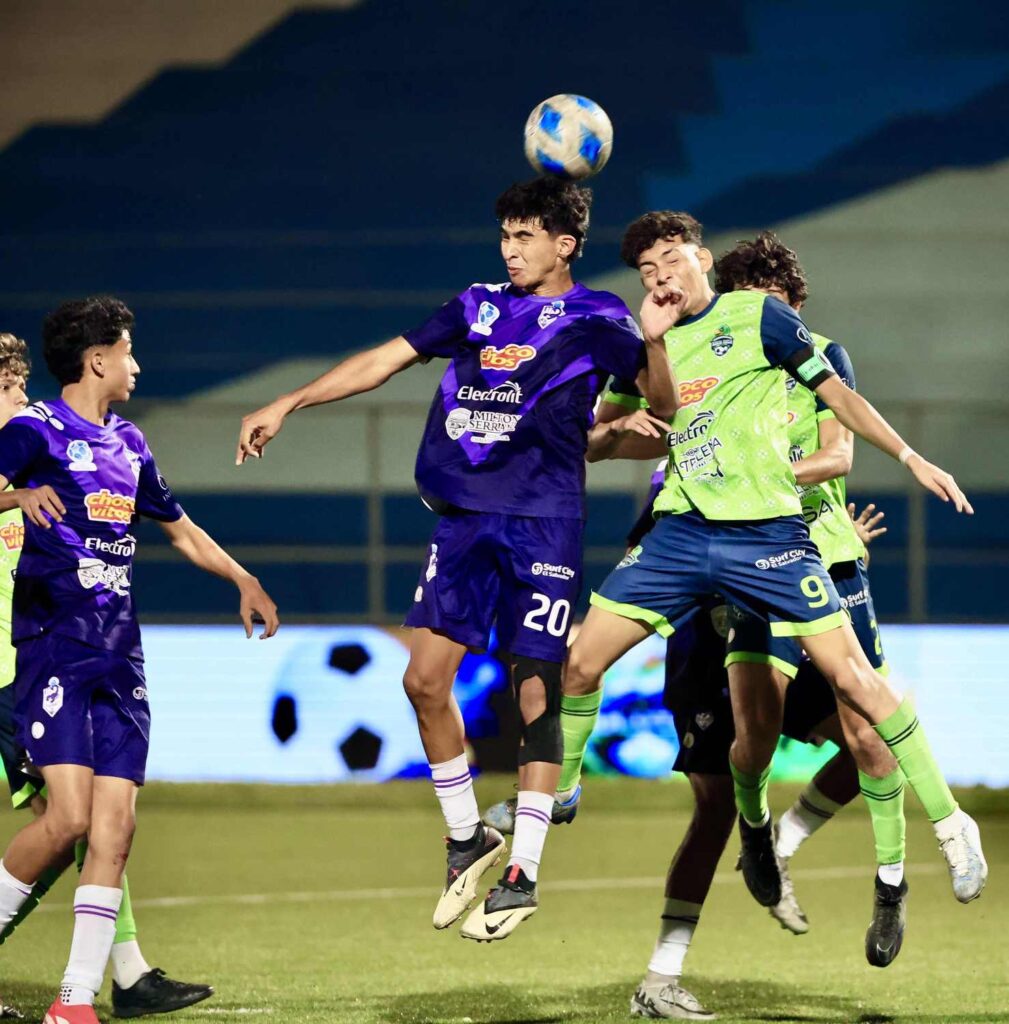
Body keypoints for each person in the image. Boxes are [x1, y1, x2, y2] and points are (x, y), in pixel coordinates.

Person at [234, 177, 676, 942]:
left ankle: (521, 873)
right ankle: (467, 837)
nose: (509, 249)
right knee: (422, 681)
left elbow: (661, 402)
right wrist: (289, 402)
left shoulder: (598, 317)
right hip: (462, 524)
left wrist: (657, 340)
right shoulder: (475, 306)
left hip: (542, 526)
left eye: (524, 236)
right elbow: (385, 358)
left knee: (535, 695)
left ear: (564, 245)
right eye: (505, 234)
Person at [560, 210, 984, 932]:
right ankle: (562, 794)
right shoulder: (645, 343)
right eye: (647, 269)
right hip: (683, 534)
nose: (660, 276)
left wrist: (909, 456)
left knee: (857, 687)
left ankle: (949, 827)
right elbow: (622, 431)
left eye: (671, 259)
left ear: (701, 259)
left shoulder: (760, 319)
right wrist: (616, 410)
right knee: (582, 664)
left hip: (766, 540)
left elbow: (839, 404)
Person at [0, 302, 279, 1024]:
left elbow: (180, 530)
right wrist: (15, 492)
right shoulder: (34, 429)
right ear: (97, 359)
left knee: (116, 829)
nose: (137, 365)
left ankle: (73, 1003)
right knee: (67, 819)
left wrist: (243, 578)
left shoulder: (130, 442)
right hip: (55, 645)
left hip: (121, 652)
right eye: (128, 351)